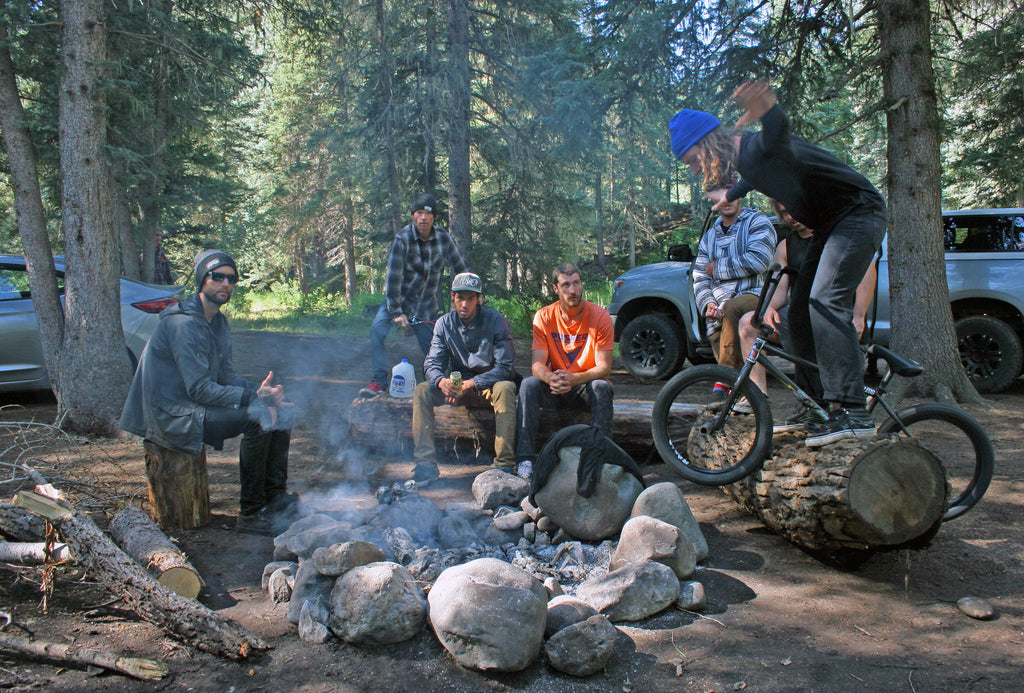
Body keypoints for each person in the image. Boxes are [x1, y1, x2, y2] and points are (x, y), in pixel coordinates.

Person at [668, 79, 887, 446]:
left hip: (858, 213)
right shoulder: (749, 161)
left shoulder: (758, 146)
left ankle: (852, 410)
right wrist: (730, 196)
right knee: (798, 312)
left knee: (825, 300)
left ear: (706, 146)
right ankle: (818, 406)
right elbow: (753, 177)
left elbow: (778, 134)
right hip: (830, 224)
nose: (693, 170)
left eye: (692, 160)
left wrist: (769, 109)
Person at [120, 250, 295, 535]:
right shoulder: (183, 323)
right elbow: (199, 389)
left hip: (194, 405)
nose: (225, 283)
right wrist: (255, 399)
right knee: (257, 418)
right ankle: (251, 513)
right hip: (171, 413)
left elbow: (225, 377)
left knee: (283, 411)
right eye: (218, 277)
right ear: (203, 280)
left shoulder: (218, 322)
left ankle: (275, 500)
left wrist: (261, 391)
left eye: (231, 278)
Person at [737, 202, 877, 432]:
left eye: (795, 209)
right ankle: (757, 399)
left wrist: (859, 315)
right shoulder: (787, 246)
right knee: (748, 324)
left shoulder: (835, 235)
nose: (791, 217)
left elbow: (866, 271)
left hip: (835, 321)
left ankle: (836, 414)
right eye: (784, 213)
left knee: (835, 382)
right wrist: (770, 307)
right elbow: (781, 288)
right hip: (801, 321)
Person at [410, 272, 518, 485]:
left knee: (506, 387)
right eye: (460, 298)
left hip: (488, 385)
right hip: (458, 386)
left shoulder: (496, 321)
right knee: (423, 390)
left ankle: (504, 465)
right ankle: (425, 464)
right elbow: (431, 363)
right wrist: (442, 382)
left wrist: (473, 383)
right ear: (452, 297)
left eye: (471, 298)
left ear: (479, 299)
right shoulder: (444, 324)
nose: (465, 304)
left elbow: (505, 367)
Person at [363, 193, 469, 396]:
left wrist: (466, 296)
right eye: (419, 213)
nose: (423, 218)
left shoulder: (443, 239)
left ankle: (435, 388)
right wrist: (396, 312)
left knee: (433, 349)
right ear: (413, 215)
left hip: (425, 308)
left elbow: (461, 268)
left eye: (427, 214)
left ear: (433, 217)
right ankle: (378, 383)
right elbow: (392, 278)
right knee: (376, 331)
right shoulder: (403, 239)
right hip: (397, 303)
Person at [515, 263, 614, 481]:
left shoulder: (600, 317)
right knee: (528, 384)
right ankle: (524, 460)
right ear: (555, 289)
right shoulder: (544, 316)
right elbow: (537, 364)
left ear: (581, 285)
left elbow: (604, 367)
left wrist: (575, 378)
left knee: (602, 386)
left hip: (585, 385)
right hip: (556, 386)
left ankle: (601, 456)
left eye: (576, 283)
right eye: (566, 285)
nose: (572, 290)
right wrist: (550, 377)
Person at [692, 184, 775, 393]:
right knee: (719, 327)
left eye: (730, 192)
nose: (726, 199)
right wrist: (708, 303)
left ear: (741, 193)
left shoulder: (758, 222)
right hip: (719, 306)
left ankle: (725, 377)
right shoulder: (710, 236)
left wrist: (717, 268)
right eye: (719, 194)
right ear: (712, 198)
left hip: (754, 296)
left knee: (734, 309)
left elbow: (759, 260)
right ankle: (740, 402)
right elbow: (700, 276)